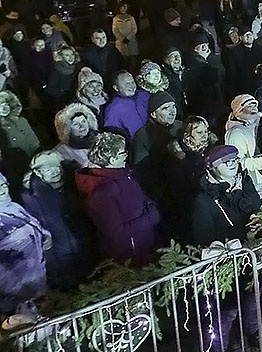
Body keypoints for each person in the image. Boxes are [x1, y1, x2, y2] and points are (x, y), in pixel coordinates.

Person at [190, 145, 262, 352]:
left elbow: (254, 205)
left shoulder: (243, 181)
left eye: (235, 160)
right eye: (226, 162)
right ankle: (218, 347)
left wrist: (255, 221)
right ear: (212, 167)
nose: (233, 164)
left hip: (248, 257)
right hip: (225, 264)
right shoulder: (203, 199)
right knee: (226, 311)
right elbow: (204, 236)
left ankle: (254, 333)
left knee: (252, 298)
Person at [75, 132, 161, 266]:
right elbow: (117, 232)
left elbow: (140, 196)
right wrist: (150, 219)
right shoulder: (102, 193)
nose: (127, 154)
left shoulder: (123, 174)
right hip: (130, 257)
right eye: (122, 152)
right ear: (111, 159)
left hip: (145, 247)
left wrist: (150, 204)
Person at [20, 151, 91, 289]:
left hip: (84, 246)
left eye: (56, 167)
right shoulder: (32, 198)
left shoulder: (72, 185)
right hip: (60, 256)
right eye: (47, 170)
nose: (54, 172)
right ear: (38, 174)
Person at [0, 172, 50, 316]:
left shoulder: (14, 207)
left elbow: (34, 225)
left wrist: (44, 235)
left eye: (4, 185)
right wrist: (19, 288)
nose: (3, 190)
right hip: (15, 294)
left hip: (38, 283)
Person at [224, 95, 262, 194]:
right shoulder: (236, 133)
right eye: (249, 106)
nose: (254, 108)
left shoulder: (258, 125)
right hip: (256, 186)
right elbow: (237, 163)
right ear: (240, 109)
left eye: (255, 105)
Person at [0, 91, 40, 200]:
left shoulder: (22, 121)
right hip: (11, 172)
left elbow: (35, 144)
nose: (4, 108)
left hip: (31, 164)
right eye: (0, 105)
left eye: (5, 104)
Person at [52, 103, 99, 169]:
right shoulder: (60, 152)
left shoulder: (100, 138)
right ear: (67, 129)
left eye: (83, 121)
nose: (82, 126)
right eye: (76, 124)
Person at [111, 2, 139, 70]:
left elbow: (134, 29)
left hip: (131, 41)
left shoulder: (131, 18)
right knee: (123, 59)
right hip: (121, 42)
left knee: (133, 58)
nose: (124, 9)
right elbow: (115, 30)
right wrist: (122, 38)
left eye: (125, 7)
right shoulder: (116, 19)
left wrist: (128, 38)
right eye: (122, 7)